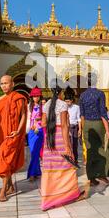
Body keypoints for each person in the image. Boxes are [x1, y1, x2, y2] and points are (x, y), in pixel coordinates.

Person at [41, 81, 84, 211]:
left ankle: (48, 199)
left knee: (50, 169)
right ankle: (71, 195)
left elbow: (43, 123)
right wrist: (68, 146)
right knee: (67, 167)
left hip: (49, 139)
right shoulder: (63, 104)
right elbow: (65, 126)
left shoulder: (46, 105)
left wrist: (50, 127)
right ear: (60, 93)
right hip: (60, 138)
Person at [0, 75, 27, 202]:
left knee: (5, 160)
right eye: (2, 83)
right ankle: (11, 186)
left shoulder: (19, 98)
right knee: (3, 160)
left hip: (12, 135)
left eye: (6, 83)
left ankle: (3, 191)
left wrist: (18, 131)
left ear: (12, 84)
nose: (4, 86)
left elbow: (24, 116)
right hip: (1, 135)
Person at [80, 73, 109, 186]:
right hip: (98, 123)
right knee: (104, 149)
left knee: (91, 151)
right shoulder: (100, 94)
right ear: (96, 81)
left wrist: (83, 129)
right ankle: (102, 174)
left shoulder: (82, 95)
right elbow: (103, 112)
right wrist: (107, 130)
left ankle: (92, 178)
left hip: (86, 124)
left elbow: (82, 115)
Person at [27, 87, 44, 181]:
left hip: (40, 131)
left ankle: (32, 174)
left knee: (36, 153)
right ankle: (37, 172)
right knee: (33, 152)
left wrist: (39, 120)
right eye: (34, 96)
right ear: (31, 97)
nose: (35, 98)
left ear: (40, 96)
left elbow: (46, 118)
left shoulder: (43, 106)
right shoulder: (29, 106)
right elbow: (26, 119)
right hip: (31, 132)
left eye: (37, 96)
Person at [64, 91, 81, 165]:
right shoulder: (63, 107)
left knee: (74, 144)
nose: (67, 103)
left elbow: (79, 119)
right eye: (66, 101)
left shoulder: (77, 107)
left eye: (68, 101)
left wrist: (80, 129)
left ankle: (75, 160)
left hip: (74, 127)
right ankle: (68, 160)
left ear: (71, 100)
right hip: (66, 128)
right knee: (67, 144)